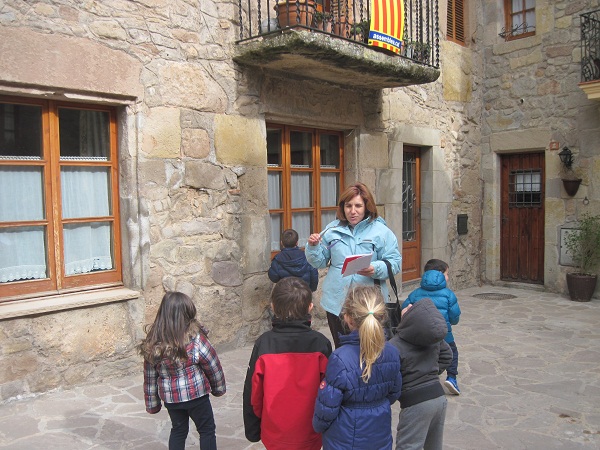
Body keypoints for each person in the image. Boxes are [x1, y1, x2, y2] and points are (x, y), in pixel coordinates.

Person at [306, 182, 401, 348]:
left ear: (367, 207)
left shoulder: (381, 231)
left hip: (369, 303)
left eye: (358, 206)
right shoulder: (332, 230)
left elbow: (395, 263)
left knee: (370, 348)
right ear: (342, 207)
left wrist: (375, 268)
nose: (352, 211)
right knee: (342, 347)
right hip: (337, 302)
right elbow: (319, 262)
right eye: (348, 206)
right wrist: (313, 247)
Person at [243, 277, 332, 450]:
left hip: (275, 433)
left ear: (273, 307)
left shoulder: (264, 343)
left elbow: (253, 392)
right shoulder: (321, 344)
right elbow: (330, 392)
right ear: (310, 307)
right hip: (311, 432)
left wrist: (253, 429)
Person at [313, 285, 403, 450]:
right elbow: (394, 392)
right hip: (380, 433)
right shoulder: (392, 352)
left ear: (347, 318)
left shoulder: (340, 358)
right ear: (382, 316)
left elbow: (327, 407)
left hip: (344, 439)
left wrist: (318, 426)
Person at [139, 291, 226, 450]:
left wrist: (153, 404)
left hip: (172, 400)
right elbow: (212, 364)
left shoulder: (153, 343)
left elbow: (149, 378)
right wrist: (218, 388)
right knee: (206, 430)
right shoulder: (196, 338)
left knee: (178, 430)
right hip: (197, 396)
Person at [390, 298, 453, 450]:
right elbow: (447, 355)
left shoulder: (395, 345)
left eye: (410, 308)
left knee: (409, 446)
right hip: (438, 398)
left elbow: (390, 374)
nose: (409, 306)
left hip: (416, 404)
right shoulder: (433, 339)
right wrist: (431, 372)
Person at [402, 259, 462, 395]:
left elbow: (405, 310)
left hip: (420, 334)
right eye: (447, 274)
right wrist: (451, 322)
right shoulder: (448, 294)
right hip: (444, 333)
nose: (448, 277)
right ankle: (451, 377)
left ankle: (423, 378)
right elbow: (454, 317)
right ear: (439, 274)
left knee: (423, 354)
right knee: (452, 352)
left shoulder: (415, 293)